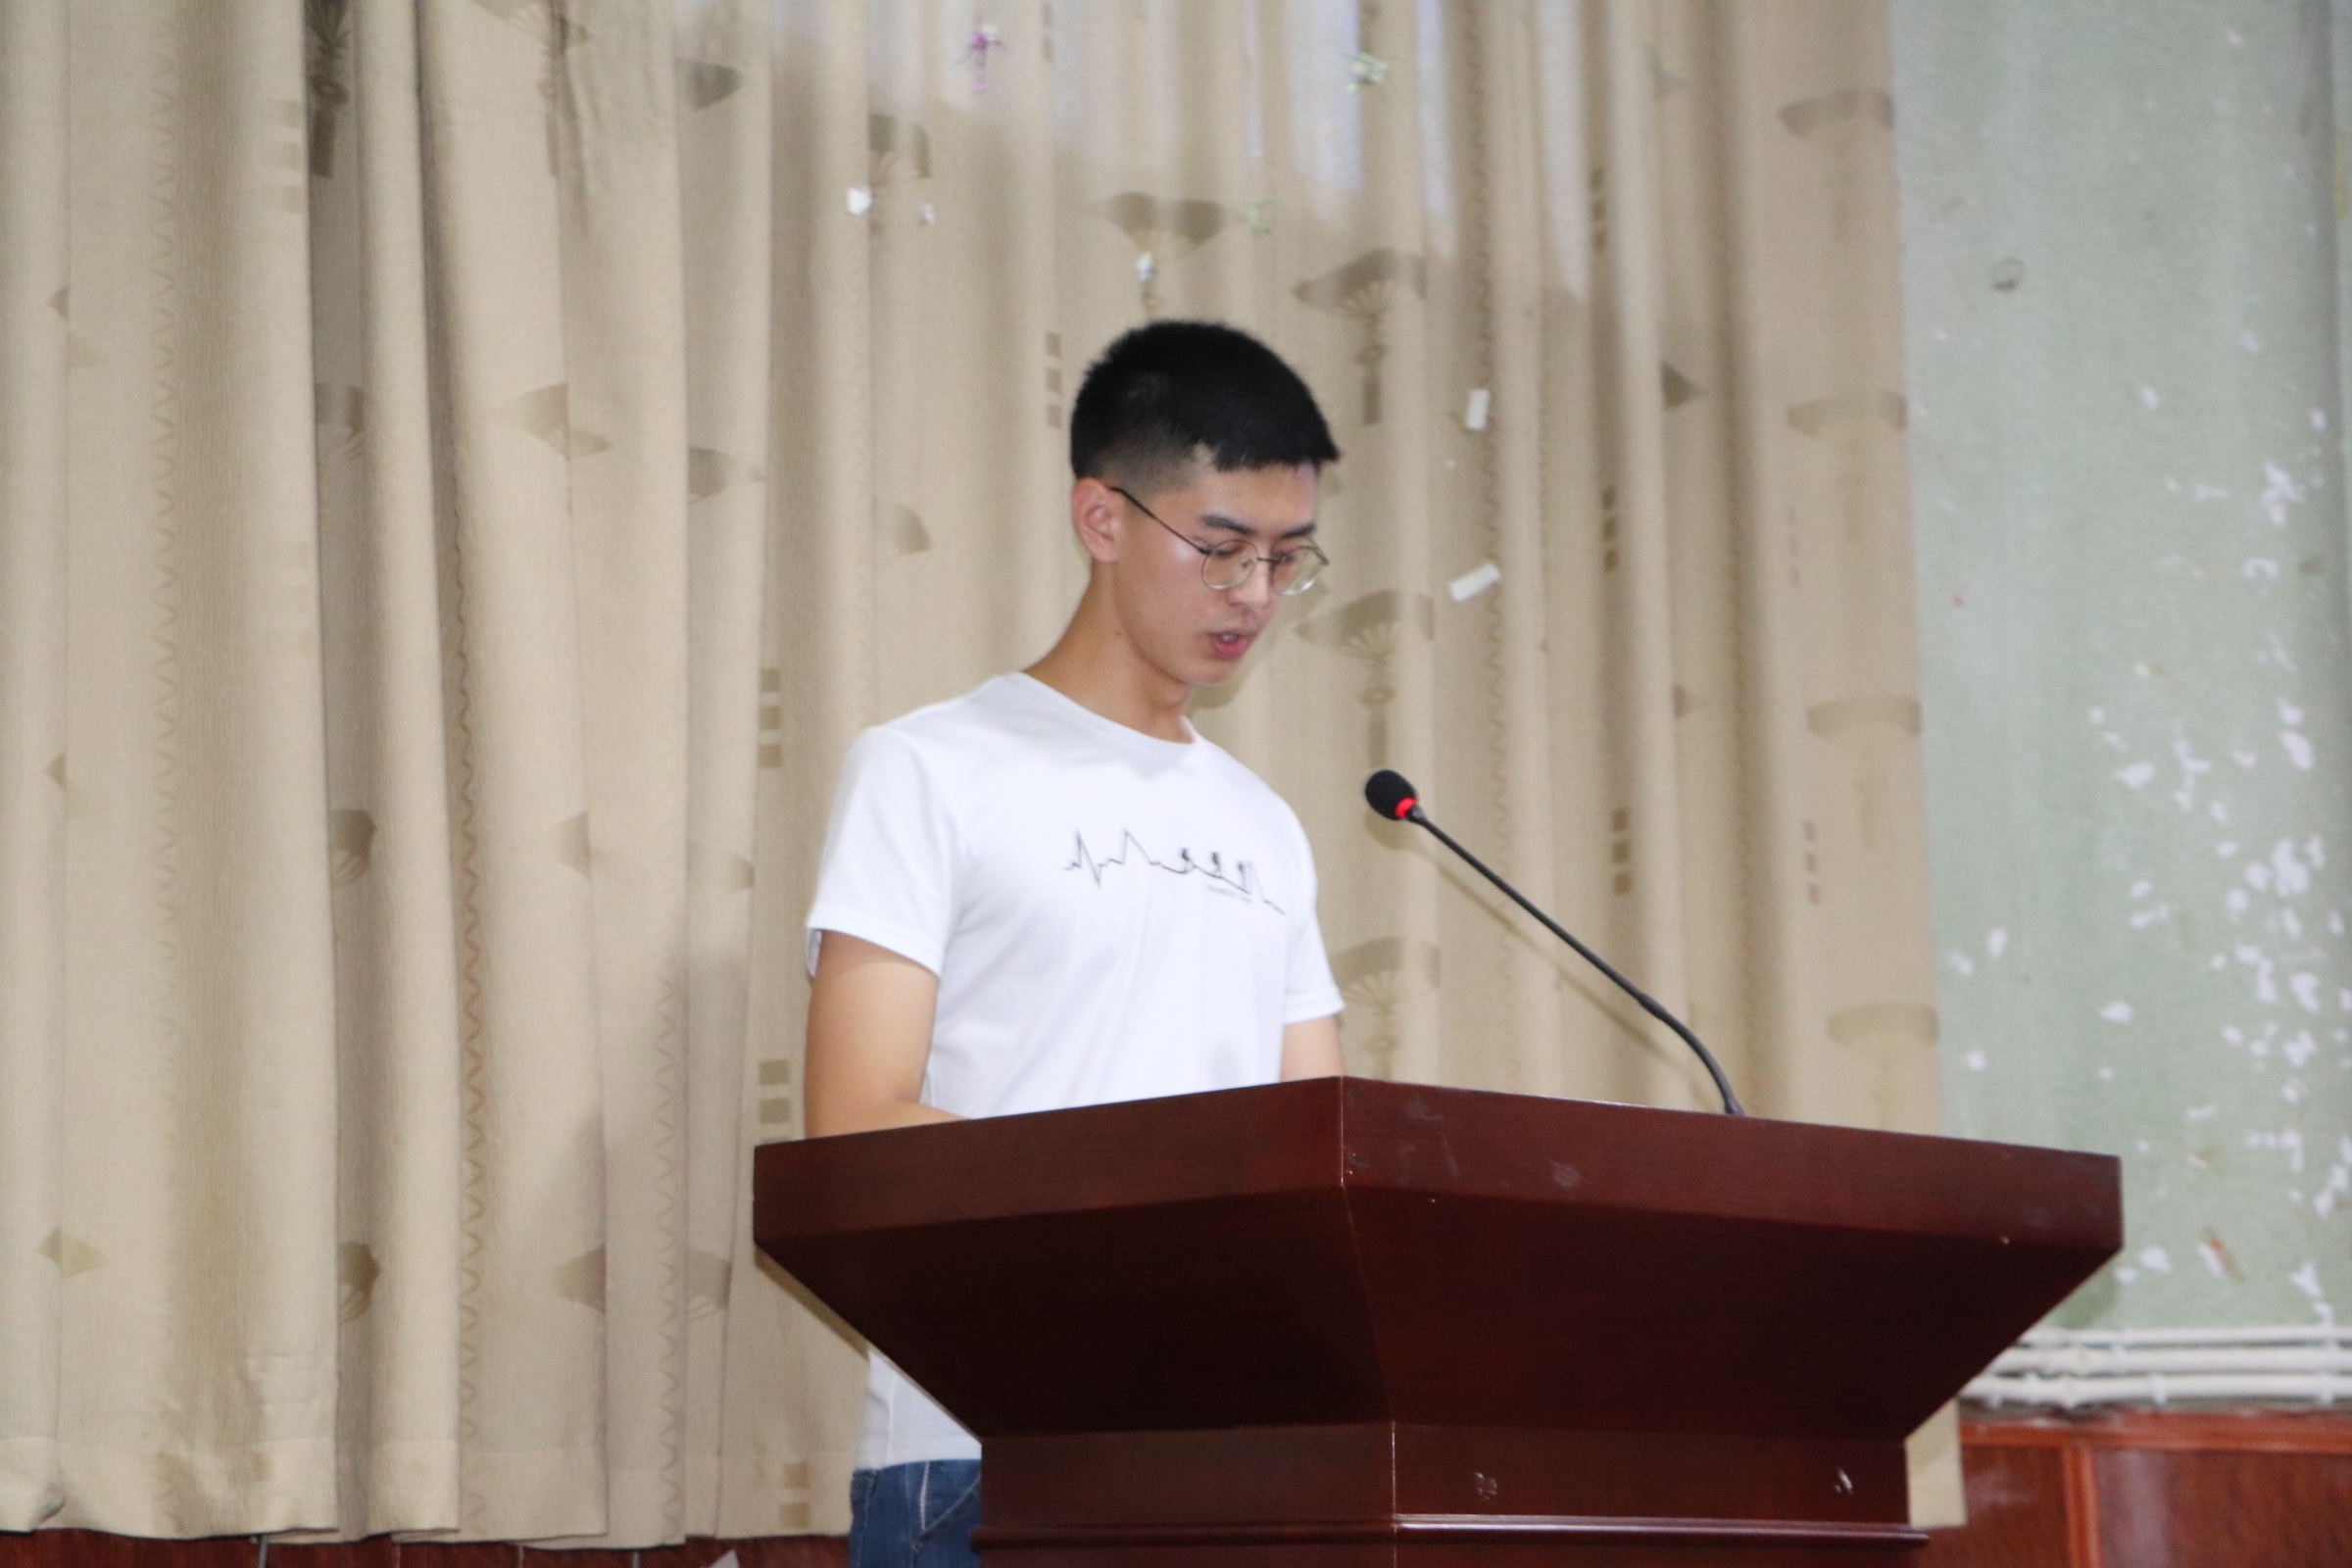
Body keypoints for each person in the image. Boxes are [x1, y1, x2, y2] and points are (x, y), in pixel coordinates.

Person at [801, 318, 1348, 1568]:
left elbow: (1311, 1151)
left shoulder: (1264, 825)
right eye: (1222, 549)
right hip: (978, 1448)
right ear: (1102, 518)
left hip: (1227, 1457)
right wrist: (1155, 1202)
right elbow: (856, 1127)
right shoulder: (929, 768)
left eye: (1286, 559)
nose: (1255, 595)